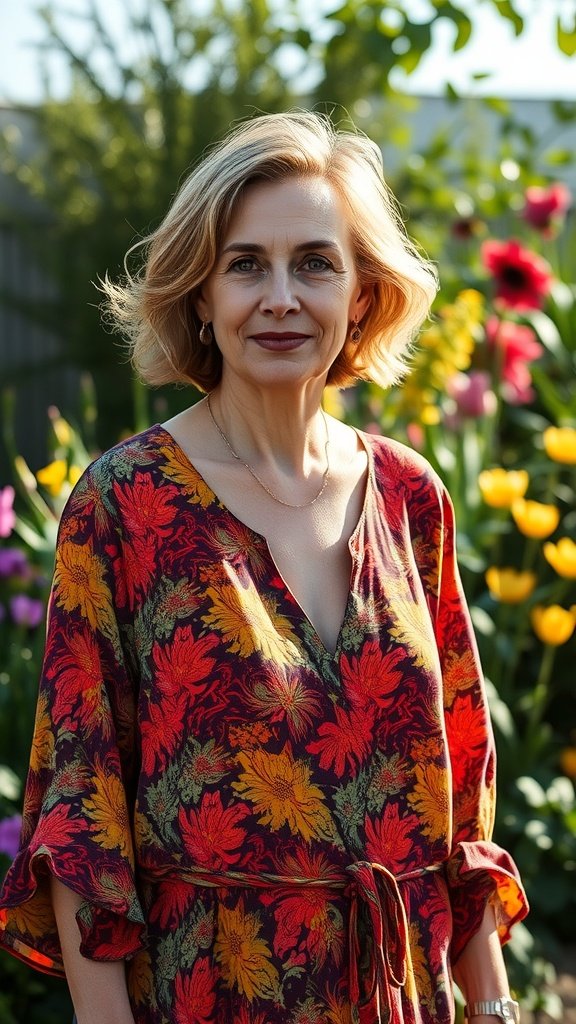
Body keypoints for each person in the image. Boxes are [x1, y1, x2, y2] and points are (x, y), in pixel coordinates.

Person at [0, 110, 527, 1024]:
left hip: (405, 994)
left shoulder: (411, 497)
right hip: (211, 994)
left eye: (315, 263)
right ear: (201, 297)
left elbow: (462, 806)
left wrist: (495, 1009)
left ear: (362, 295)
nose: (281, 296)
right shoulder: (125, 504)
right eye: (246, 265)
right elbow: (83, 818)